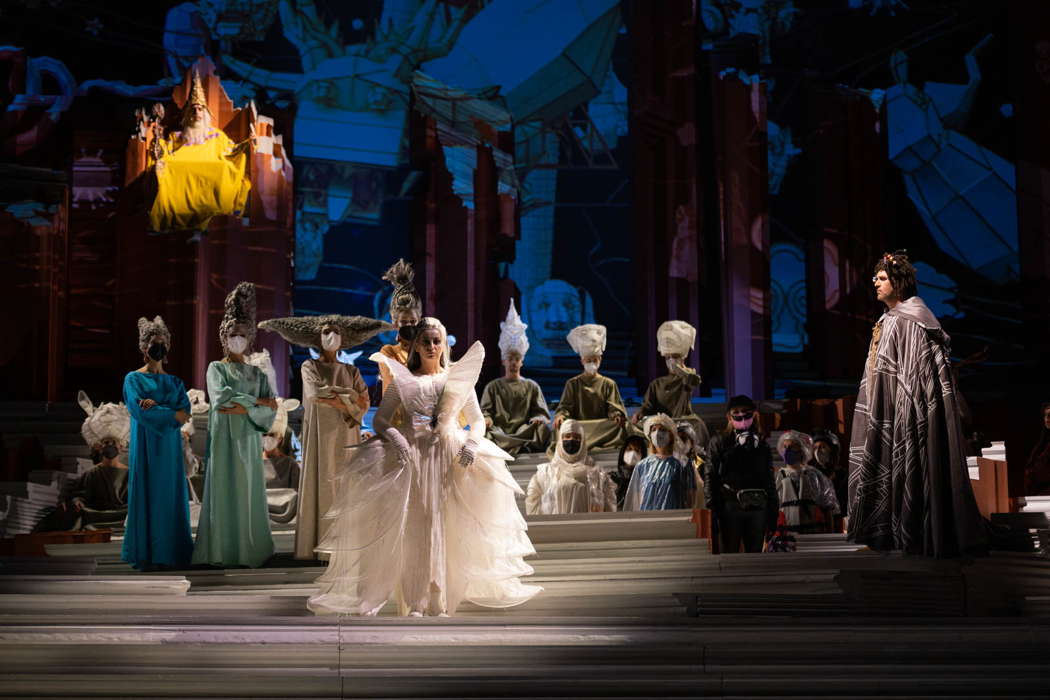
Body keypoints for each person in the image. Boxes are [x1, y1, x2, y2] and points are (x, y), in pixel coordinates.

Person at [308, 318, 541, 616]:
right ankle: (416, 600)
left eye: (436, 340)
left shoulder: (457, 379)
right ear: (416, 345)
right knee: (415, 529)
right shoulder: (404, 379)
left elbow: (477, 419)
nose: (432, 346)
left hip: (447, 457)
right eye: (426, 341)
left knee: (443, 527)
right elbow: (381, 418)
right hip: (412, 458)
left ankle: (439, 599)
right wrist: (396, 439)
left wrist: (471, 444)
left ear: (443, 344)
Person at [848, 251, 986, 557]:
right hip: (884, 410)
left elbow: (917, 375)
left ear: (899, 284)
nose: (875, 282)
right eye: (876, 277)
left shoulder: (913, 320)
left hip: (906, 411)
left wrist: (904, 409)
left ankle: (910, 531)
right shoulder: (892, 319)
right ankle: (885, 530)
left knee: (909, 466)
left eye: (882, 278)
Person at [257, 314, 391, 558]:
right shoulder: (310, 366)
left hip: (347, 436)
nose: (331, 337)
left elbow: (364, 401)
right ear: (318, 338)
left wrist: (344, 399)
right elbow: (317, 394)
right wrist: (348, 399)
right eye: (326, 332)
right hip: (320, 435)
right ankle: (319, 545)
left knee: (344, 484)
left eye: (335, 332)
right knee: (322, 481)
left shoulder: (351, 370)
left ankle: (343, 546)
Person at [193, 282, 277, 568]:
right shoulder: (216, 368)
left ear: (250, 337)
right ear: (223, 338)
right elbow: (221, 400)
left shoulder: (257, 373)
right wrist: (255, 403)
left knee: (248, 490)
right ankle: (221, 551)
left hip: (249, 440)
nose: (237, 338)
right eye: (232, 334)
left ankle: (249, 550)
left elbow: (272, 406)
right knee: (224, 488)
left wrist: (249, 405)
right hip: (225, 440)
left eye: (242, 334)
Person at [122, 316, 194, 569]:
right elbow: (139, 409)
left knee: (169, 494)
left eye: (162, 343)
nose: (158, 347)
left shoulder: (175, 382)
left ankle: (172, 552)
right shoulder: (133, 379)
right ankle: (148, 553)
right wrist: (168, 412)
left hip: (169, 448)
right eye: (153, 343)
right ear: (144, 347)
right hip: (145, 446)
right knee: (147, 492)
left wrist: (158, 408)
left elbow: (184, 413)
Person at [148, 69, 253, 234]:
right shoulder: (178, 136)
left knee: (225, 170)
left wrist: (247, 143)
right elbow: (166, 149)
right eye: (194, 109)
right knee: (167, 168)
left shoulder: (217, 135)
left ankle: (216, 216)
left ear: (206, 113)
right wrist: (158, 139)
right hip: (182, 168)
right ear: (188, 113)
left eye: (200, 109)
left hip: (213, 168)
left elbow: (231, 151)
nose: (197, 113)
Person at [703, 395, 776, 554]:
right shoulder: (719, 442)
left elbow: (769, 480)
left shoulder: (761, 444)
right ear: (729, 416)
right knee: (729, 554)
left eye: (746, 412)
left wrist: (773, 515)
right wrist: (712, 509)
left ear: (754, 414)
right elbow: (710, 475)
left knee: (755, 555)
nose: (741, 416)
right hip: (730, 505)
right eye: (736, 412)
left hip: (758, 506)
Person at [481, 299, 551, 456]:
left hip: (524, 430)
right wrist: (487, 419)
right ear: (503, 361)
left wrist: (538, 418)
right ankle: (514, 445)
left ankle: (517, 445)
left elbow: (540, 411)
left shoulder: (531, 386)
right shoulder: (493, 386)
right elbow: (485, 411)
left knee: (541, 429)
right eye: (510, 359)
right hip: (500, 431)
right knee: (484, 433)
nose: (513, 363)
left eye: (516, 359)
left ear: (522, 361)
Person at [552, 324, 630, 452]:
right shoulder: (572, 383)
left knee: (620, 426)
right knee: (562, 427)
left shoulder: (608, 383)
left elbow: (614, 407)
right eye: (588, 361)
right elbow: (564, 407)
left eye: (594, 360)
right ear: (582, 361)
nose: (592, 363)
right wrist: (560, 416)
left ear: (600, 359)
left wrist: (616, 415)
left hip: (601, 426)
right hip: (579, 427)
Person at [633, 320, 710, 449]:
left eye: (674, 356)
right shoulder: (656, 384)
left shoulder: (687, 378)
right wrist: (639, 413)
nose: (671, 360)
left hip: (682, 422)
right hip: (661, 425)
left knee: (697, 425)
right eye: (667, 357)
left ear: (682, 358)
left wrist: (680, 367)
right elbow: (647, 406)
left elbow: (693, 380)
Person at [525, 420, 616, 515]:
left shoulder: (599, 474)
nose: (571, 440)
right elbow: (533, 509)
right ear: (560, 440)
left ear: (582, 442)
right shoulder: (544, 474)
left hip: (589, 528)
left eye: (576, 437)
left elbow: (609, 509)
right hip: (556, 528)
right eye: (567, 436)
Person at [774, 430, 839, 541]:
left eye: (792, 447)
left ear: (802, 450)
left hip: (813, 535)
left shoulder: (815, 475)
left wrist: (830, 535)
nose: (788, 450)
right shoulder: (777, 476)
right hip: (787, 536)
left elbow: (828, 507)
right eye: (785, 446)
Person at [624, 413, 696, 511]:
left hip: (673, 520)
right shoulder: (642, 466)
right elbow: (635, 501)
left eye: (662, 429)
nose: (657, 433)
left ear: (671, 435)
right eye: (653, 430)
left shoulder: (682, 464)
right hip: (648, 520)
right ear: (649, 435)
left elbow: (690, 499)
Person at [376, 259, 423, 395]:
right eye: (404, 322)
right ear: (395, 323)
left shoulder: (429, 348)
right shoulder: (388, 352)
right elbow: (392, 389)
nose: (408, 326)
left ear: (419, 321)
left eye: (412, 322)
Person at [811, 429, 847, 523]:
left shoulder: (843, 475)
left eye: (822, 447)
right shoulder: (811, 475)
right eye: (815, 448)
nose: (818, 451)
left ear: (832, 450)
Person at [611, 435, 648, 511]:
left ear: (642, 456)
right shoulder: (612, 478)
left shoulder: (646, 481)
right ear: (623, 452)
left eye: (637, 450)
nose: (633, 453)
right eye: (629, 449)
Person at [1023, 403, 1050, 495]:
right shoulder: (1042, 443)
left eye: (1049, 415)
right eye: (1045, 416)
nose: (1047, 419)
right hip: (1038, 496)